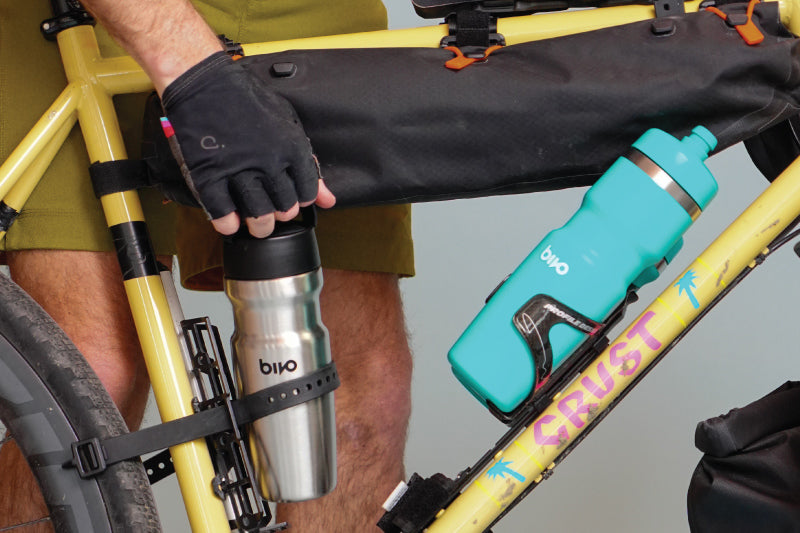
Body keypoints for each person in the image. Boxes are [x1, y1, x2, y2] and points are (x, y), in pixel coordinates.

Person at [0, 1, 414, 531]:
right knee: (84, 386)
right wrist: (194, 70)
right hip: (89, 17)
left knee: (354, 405)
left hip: (308, 10)